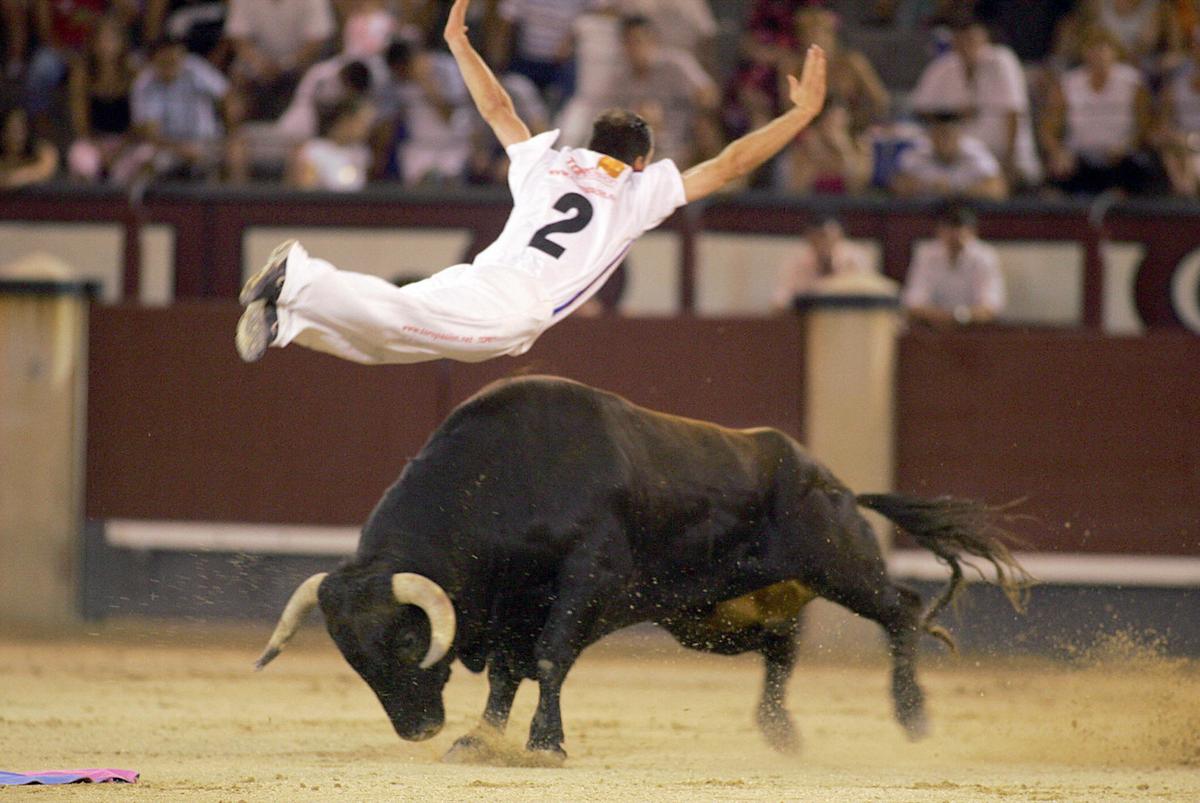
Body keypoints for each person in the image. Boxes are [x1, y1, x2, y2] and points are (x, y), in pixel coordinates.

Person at [234, 0, 828, 364]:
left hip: (487, 281)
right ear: (642, 161)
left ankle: (288, 320)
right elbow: (729, 165)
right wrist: (798, 115)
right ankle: (300, 279)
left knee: (392, 346)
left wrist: (461, 45)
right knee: (395, 324)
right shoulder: (635, 192)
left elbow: (497, 109)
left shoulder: (552, 162)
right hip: (517, 302)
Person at [909, 15, 1042, 188]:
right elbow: (919, 108)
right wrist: (954, 115)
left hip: (1003, 160)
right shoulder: (944, 65)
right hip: (963, 163)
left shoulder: (1002, 60)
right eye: (961, 40)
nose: (966, 46)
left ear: (984, 40)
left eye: (971, 40)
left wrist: (1009, 162)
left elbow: (1013, 114)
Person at [1040, 26, 1160, 195]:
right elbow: (1048, 129)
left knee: (1137, 171)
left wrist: (1127, 145)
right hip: (1079, 158)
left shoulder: (1133, 83)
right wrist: (1058, 152)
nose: (1098, 54)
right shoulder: (1068, 84)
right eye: (1092, 48)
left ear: (1114, 51)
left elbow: (1147, 126)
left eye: (1103, 48)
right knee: (1053, 182)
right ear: (1083, 52)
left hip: (1121, 159)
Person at [902, 204, 1005, 327]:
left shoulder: (985, 257)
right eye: (949, 228)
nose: (954, 235)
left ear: (972, 231)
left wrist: (958, 316)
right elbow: (913, 303)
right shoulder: (926, 254)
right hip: (933, 329)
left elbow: (991, 308)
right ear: (939, 230)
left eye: (960, 228)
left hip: (974, 331)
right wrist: (944, 317)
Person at [891, 109, 1008, 199]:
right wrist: (928, 187)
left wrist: (956, 191)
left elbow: (998, 189)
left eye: (947, 135)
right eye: (938, 134)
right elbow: (897, 185)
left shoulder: (975, 152)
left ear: (959, 135)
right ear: (931, 135)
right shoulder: (917, 151)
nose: (943, 142)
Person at [772, 217, 873, 313]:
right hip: (809, 319)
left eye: (827, 236)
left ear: (840, 235)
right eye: (818, 236)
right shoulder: (797, 261)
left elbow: (867, 296)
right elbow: (781, 300)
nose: (823, 242)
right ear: (809, 237)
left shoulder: (856, 259)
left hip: (849, 319)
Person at [0, 103, 59, 188]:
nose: (18, 135)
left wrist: (16, 178)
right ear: (3, 132)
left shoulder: (41, 150)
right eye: (12, 129)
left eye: (21, 129)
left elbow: (46, 167)